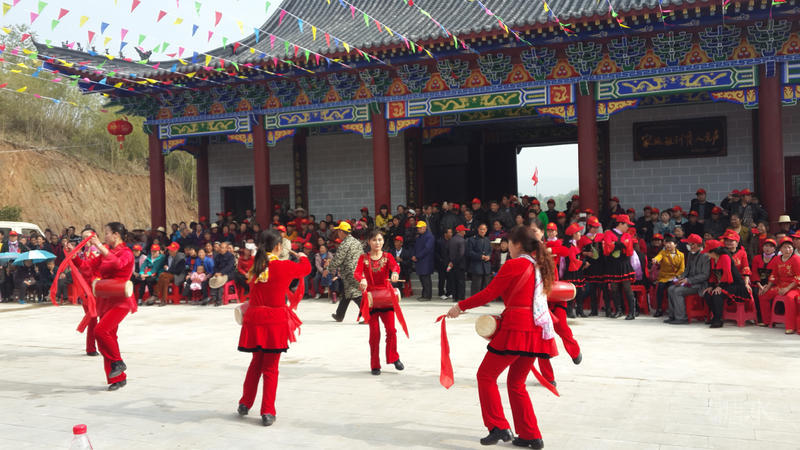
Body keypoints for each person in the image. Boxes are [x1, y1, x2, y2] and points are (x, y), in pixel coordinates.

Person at [445, 225, 558, 448]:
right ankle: (531, 434)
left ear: (517, 244)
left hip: (516, 328)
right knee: (516, 383)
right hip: (536, 329)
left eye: (508, 243)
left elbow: (489, 293)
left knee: (486, 376)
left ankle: (498, 426)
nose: (507, 247)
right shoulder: (539, 265)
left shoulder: (514, 264)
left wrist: (460, 306)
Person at [237, 229, 311, 426]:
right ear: (278, 246)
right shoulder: (284, 266)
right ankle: (267, 411)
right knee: (270, 368)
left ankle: (245, 403)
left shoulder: (255, 265)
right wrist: (303, 256)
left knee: (256, 363)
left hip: (255, 319)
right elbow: (305, 269)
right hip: (274, 321)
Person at [72, 222, 135, 391]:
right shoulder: (106, 252)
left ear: (116, 235)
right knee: (108, 338)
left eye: (107, 233)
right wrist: (75, 257)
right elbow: (87, 268)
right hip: (106, 299)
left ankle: (118, 362)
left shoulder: (126, 252)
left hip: (121, 300)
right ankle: (117, 378)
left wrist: (99, 246)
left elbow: (117, 264)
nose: (104, 236)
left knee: (100, 331)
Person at [354, 230, 405, 375]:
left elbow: (395, 266)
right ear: (369, 242)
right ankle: (375, 364)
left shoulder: (388, 256)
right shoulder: (363, 258)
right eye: (374, 240)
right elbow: (357, 272)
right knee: (374, 333)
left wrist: (395, 272)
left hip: (386, 297)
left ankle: (393, 357)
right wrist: (362, 279)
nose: (377, 243)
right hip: (371, 299)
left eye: (380, 240)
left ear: (383, 242)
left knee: (391, 330)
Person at [702, 240, 749, 328]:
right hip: (723, 283)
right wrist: (711, 286)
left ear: (713, 252)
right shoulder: (713, 259)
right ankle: (715, 316)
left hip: (734, 284)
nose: (707, 254)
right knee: (707, 294)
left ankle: (718, 319)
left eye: (708, 252)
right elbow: (713, 275)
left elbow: (727, 274)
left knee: (717, 295)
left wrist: (720, 287)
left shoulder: (725, 257)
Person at [758, 237, 800, 333]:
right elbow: (774, 275)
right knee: (763, 295)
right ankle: (767, 321)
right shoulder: (777, 259)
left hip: (794, 287)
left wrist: (787, 288)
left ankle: (791, 327)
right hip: (780, 286)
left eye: (789, 247)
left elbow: (799, 277)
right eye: (785, 247)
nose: (787, 250)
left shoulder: (796, 259)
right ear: (780, 249)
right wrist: (767, 287)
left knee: (789, 298)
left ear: (793, 248)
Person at [665, 234, 710, 324]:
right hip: (689, 282)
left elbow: (705, 275)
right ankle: (672, 316)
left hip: (700, 285)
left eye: (691, 244)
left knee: (677, 291)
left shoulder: (705, 256)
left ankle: (681, 318)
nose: (689, 246)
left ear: (697, 245)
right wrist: (680, 278)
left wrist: (689, 280)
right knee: (670, 289)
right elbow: (687, 269)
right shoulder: (690, 254)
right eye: (689, 244)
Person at [603, 215, 637, 319]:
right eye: (627, 225)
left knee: (627, 287)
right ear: (621, 224)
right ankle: (618, 310)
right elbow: (607, 249)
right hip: (613, 264)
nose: (628, 227)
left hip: (624, 263)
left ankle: (632, 312)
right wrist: (620, 244)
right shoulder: (609, 233)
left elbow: (629, 250)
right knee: (614, 288)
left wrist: (615, 244)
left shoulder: (627, 235)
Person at [330, 221, 364, 321]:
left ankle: (368, 316)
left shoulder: (345, 244)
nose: (337, 233)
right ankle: (339, 315)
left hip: (349, 273)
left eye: (338, 231)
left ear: (341, 232)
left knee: (356, 295)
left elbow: (338, 259)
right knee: (346, 294)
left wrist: (328, 269)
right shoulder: (356, 242)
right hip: (357, 271)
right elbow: (362, 256)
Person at [651, 236, 685, 317]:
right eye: (666, 243)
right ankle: (659, 309)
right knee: (660, 288)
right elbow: (658, 257)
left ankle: (672, 309)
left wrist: (676, 276)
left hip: (675, 277)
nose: (667, 245)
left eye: (670, 243)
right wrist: (655, 260)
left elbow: (682, 269)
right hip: (664, 277)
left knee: (672, 289)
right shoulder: (663, 253)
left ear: (675, 244)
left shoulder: (681, 255)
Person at [152, 242, 186, 306]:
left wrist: (168, 269)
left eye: (171, 250)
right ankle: (163, 300)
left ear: (176, 250)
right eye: (169, 250)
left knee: (163, 275)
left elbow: (178, 271)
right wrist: (166, 267)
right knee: (165, 279)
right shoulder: (168, 256)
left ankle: (155, 295)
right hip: (168, 275)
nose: (170, 251)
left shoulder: (181, 258)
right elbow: (165, 264)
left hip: (178, 276)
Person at [468, 223, 492, 297]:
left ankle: (484, 300)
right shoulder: (472, 239)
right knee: (476, 286)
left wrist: (489, 256)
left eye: (484, 229)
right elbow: (469, 252)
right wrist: (480, 256)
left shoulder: (487, 240)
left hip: (486, 266)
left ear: (486, 230)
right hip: (477, 266)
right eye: (481, 229)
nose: (482, 231)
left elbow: (490, 251)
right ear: (478, 230)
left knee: (485, 287)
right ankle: (474, 301)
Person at [413, 221, 434, 301]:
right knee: (422, 278)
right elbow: (416, 247)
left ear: (424, 228)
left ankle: (427, 296)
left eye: (420, 228)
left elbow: (427, 249)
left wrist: (417, 256)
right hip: (420, 260)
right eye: (418, 228)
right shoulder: (420, 236)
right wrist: (414, 255)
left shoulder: (429, 236)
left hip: (426, 261)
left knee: (426, 279)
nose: (418, 229)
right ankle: (424, 294)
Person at [448, 225, 468, 301]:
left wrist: (451, 262)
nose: (465, 232)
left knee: (454, 281)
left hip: (452, 263)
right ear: (460, 231)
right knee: (461, 281)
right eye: (464, 230)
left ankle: (455, 297)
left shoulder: (452, 239)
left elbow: (448, 251)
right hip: (460, 264)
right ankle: (461, 297)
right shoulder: (462, 240)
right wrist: (456, 261)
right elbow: (461, 253)